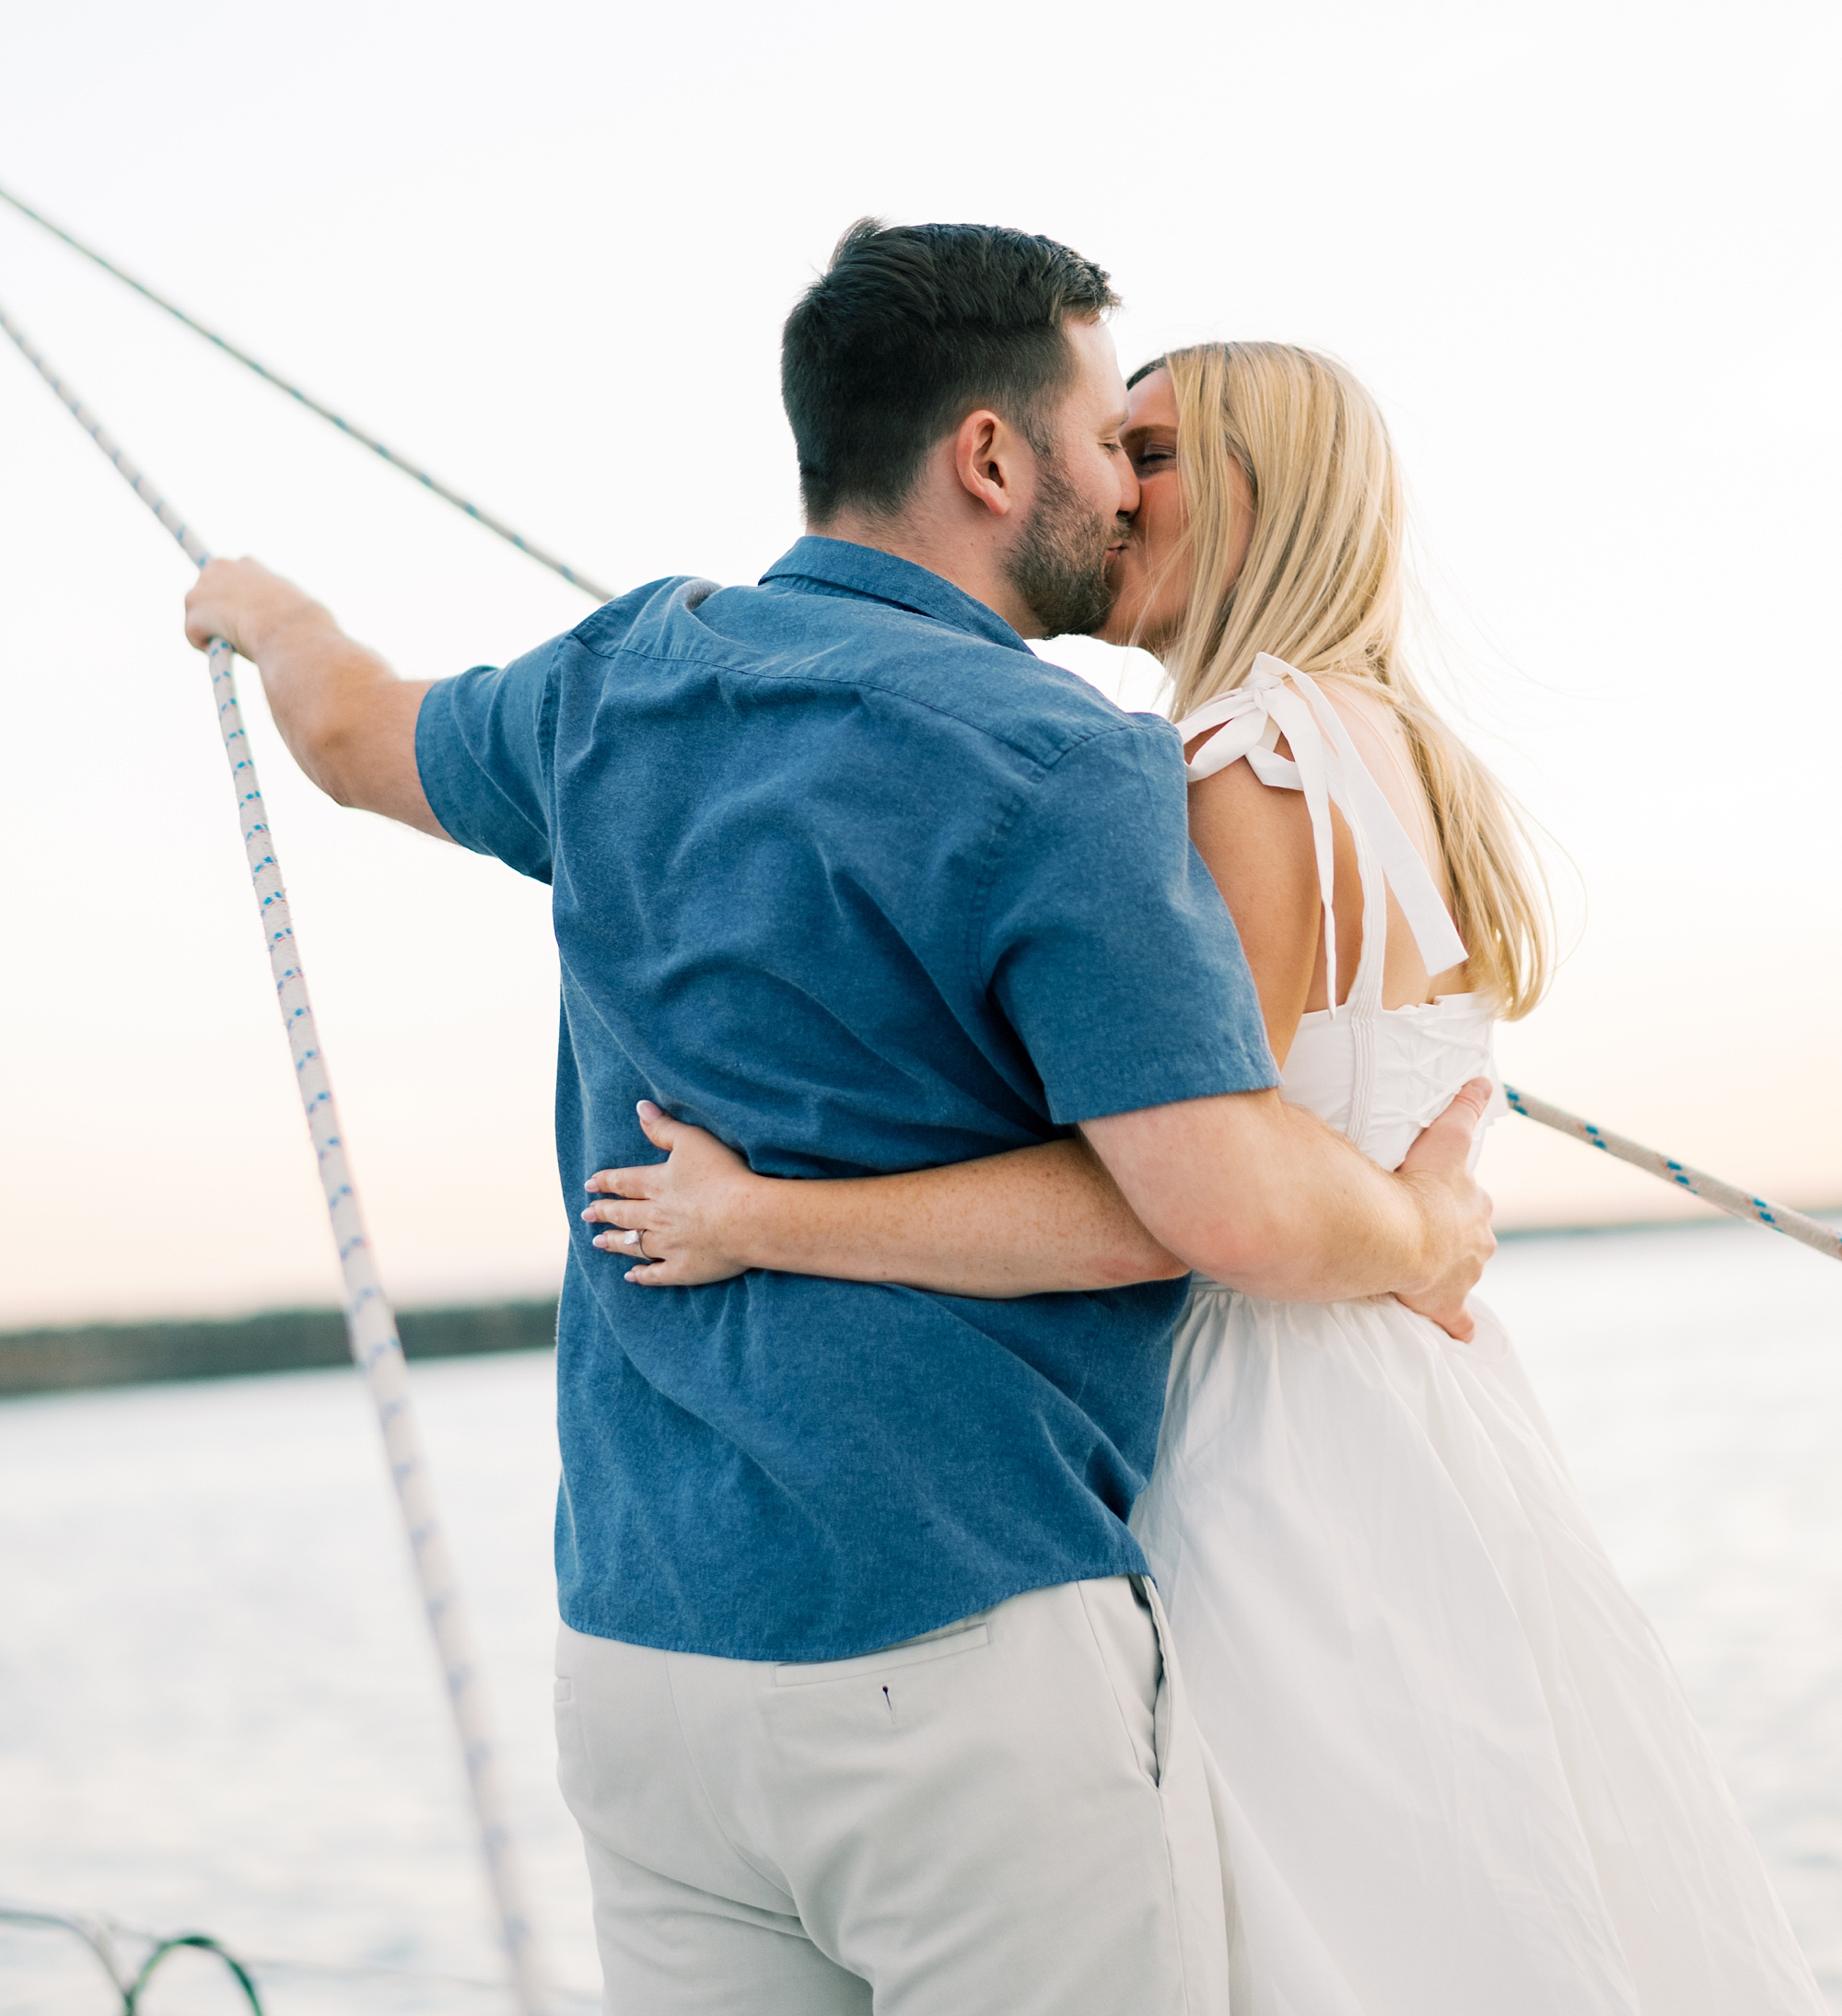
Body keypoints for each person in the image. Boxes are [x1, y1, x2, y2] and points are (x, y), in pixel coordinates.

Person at [181, 223, 1496, 2016]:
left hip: (638, 1651)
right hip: (949, 1647)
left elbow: (341, 734)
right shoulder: (1070, 768)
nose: (1127, 491)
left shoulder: (615, 675)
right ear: (987, 457)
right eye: (1115, 438)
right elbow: (1215, 1203)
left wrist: (265, 605)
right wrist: (1427, 1228)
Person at [596, 339, 1827, 2013]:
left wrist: (763, 1218)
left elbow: (1186, 1198)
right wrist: (1420, 1228)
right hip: (1426, 1413)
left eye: (1150, 452)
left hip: (1263, 1433)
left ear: (1257, 490)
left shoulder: (1237, 761)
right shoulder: (1398, 749)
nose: (1105, 487)